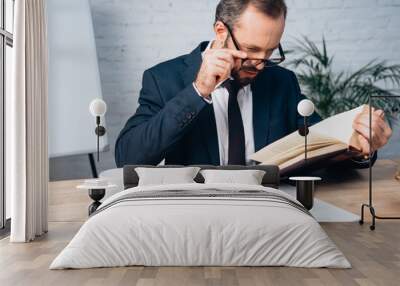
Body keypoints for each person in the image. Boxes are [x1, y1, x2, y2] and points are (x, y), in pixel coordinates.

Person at [115, 0, 392, 169]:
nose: (260, 64)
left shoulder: (282, 83)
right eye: (250, 50)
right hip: (194, 218)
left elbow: (320, 151)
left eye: (270, 52)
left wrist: (357, 145)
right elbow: (128, 157)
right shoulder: (164, 79)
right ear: (221, 31)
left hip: (272, 219)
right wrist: (198, 91)